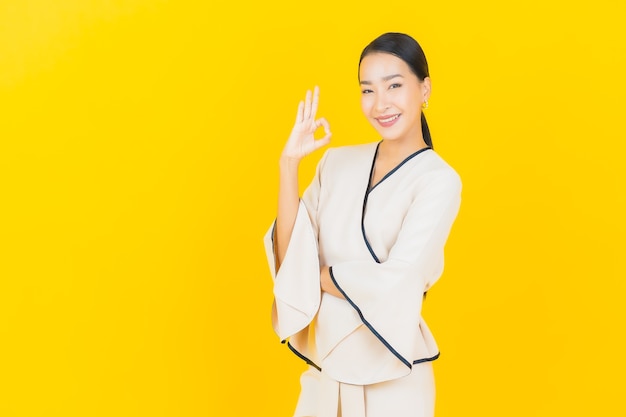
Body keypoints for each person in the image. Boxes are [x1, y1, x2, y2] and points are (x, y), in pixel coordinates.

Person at [263, 32, 462, 417]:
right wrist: (289, 165)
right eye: (367, 90)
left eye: (394, 86)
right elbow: (290, 262)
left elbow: (398, 281)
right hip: (324, 376)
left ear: (424, 89)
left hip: (393, 382)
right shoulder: (335, 163)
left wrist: (316, 275)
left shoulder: (438, 180)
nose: (380, 103)